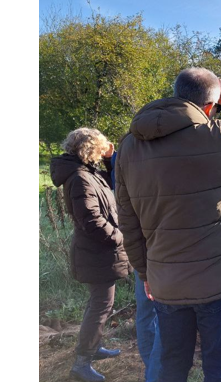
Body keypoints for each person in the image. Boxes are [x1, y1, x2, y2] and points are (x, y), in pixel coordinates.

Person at [114, 67, 221, 382]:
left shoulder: (129, 146)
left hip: (166, 281)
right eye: (218, 105)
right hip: (219, 280)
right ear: (212, 103)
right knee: (219, 369)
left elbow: (128, 220)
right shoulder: (217, 134)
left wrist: (145, 273)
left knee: (171, 367)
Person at [50, 128, 132, 382]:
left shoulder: (88, 173)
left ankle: (92, 349)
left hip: (99, 253)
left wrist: (110, 157)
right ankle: (81, 364)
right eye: (100, 148)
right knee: (100, 306)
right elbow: (92, 220)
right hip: (97, 253)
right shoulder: (80, 178)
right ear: (89, 150)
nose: (103, 151)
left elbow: (111, 182)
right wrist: (121, 237)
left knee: (100, 304)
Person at [110, 152, 161, 382]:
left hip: (148, 252)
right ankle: (155, 369)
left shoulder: (128, 156)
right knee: (158, 313)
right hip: (158, 252)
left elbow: (127, 222)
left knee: (148, 312)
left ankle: (153, 368)